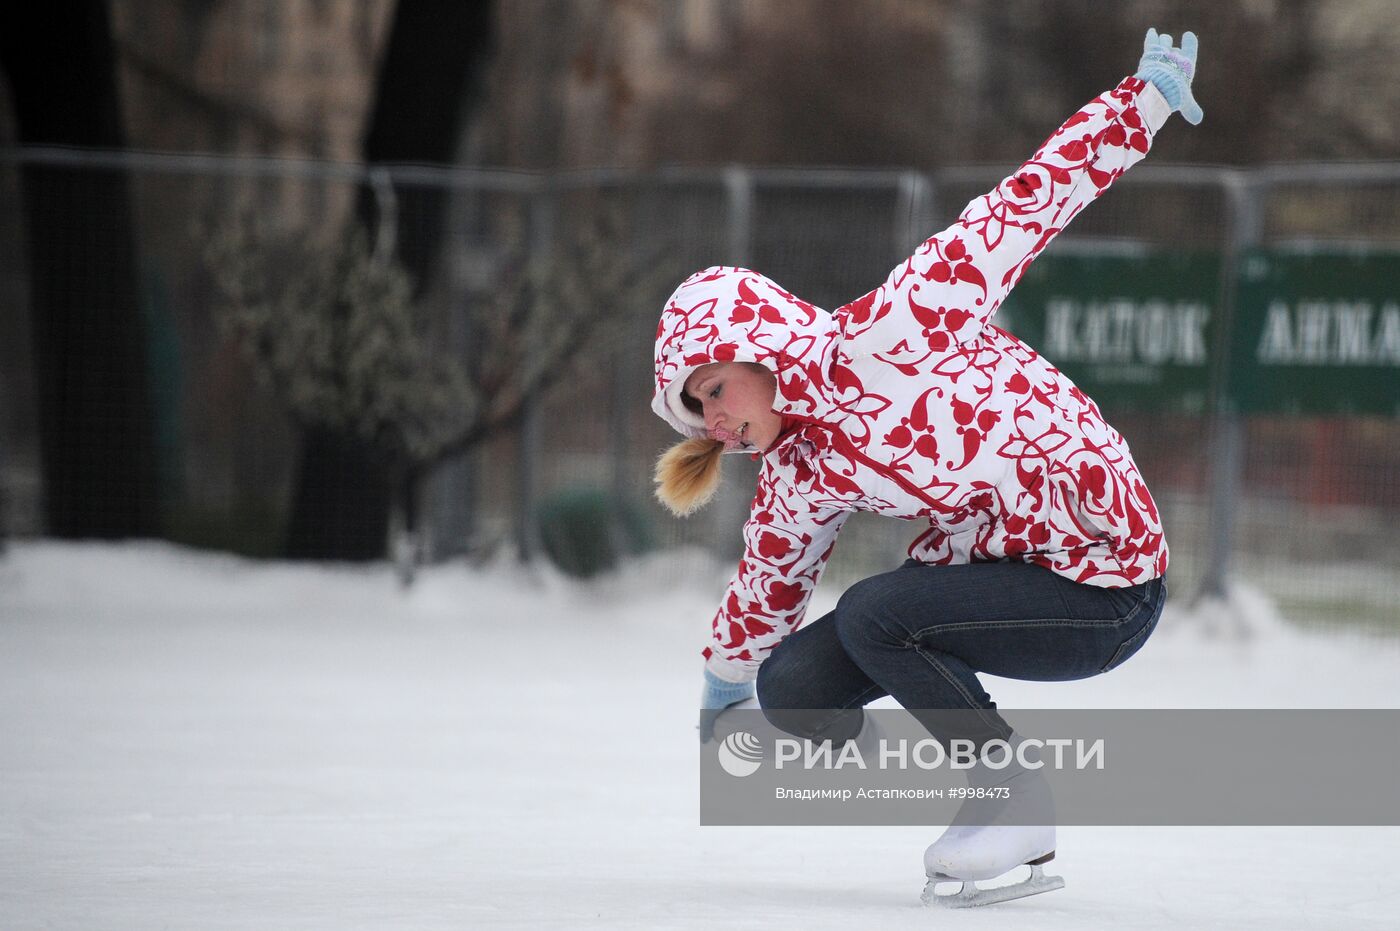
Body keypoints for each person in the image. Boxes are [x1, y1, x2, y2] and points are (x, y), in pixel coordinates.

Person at [650, 29, 1201, 907]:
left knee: (879, 610)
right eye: (697, 412)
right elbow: (769, 574)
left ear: (755, 348)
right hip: (1004, 570)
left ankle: (1009, 795)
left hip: (1104, 576)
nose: (715, 420)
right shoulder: (799, 470)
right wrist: (723, 691)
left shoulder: (895, 332)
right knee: (792, 686)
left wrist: (1141, 105)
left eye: (715, 388)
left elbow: (1020, 210)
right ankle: (962, 757)